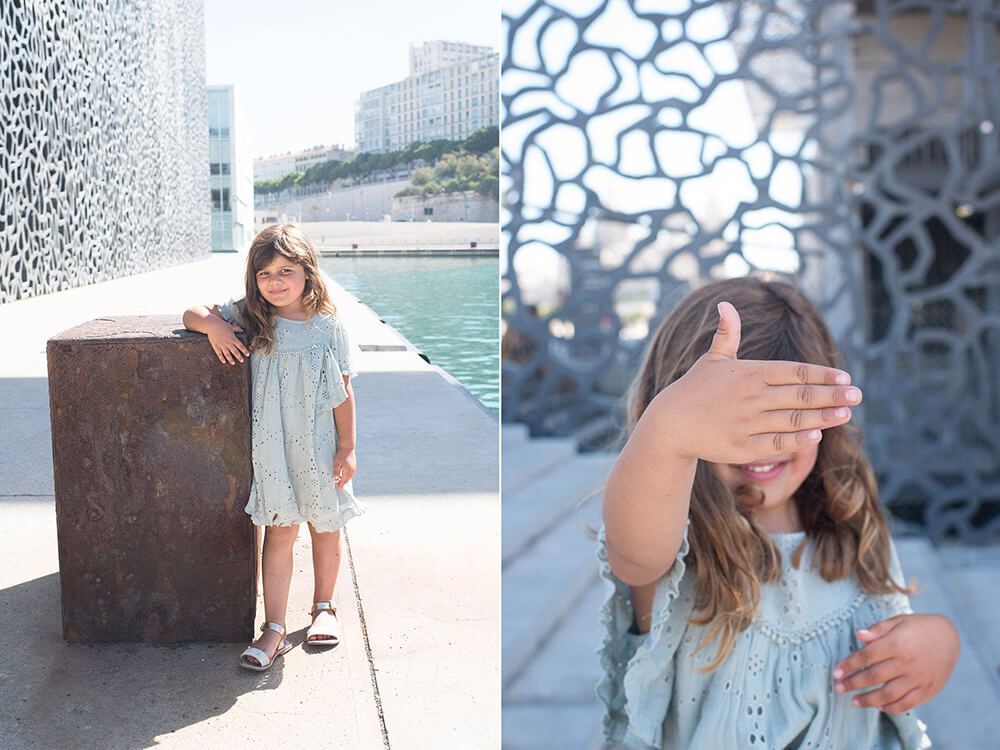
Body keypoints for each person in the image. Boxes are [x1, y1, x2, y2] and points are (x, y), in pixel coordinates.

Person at [598, 277, 958, 748]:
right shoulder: (674, 544)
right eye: (740, 427)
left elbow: (898, 624)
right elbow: (635, 552)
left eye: (787, 420)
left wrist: (939, 643)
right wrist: (666, 432)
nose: (762, 447)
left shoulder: (852, 528)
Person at [183, 223, 365, 671]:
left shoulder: (329, 327)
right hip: (272, 448)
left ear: (308, 272)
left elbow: (344, 391)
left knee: (325, 526)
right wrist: (213, 327)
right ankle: (275, 627)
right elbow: (190, 312)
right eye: (264, 274)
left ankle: (324, 606)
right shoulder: (252, 316)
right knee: (280, 530)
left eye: (286, 270)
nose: (275, 282)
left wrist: (348, 449)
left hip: (321, 446)